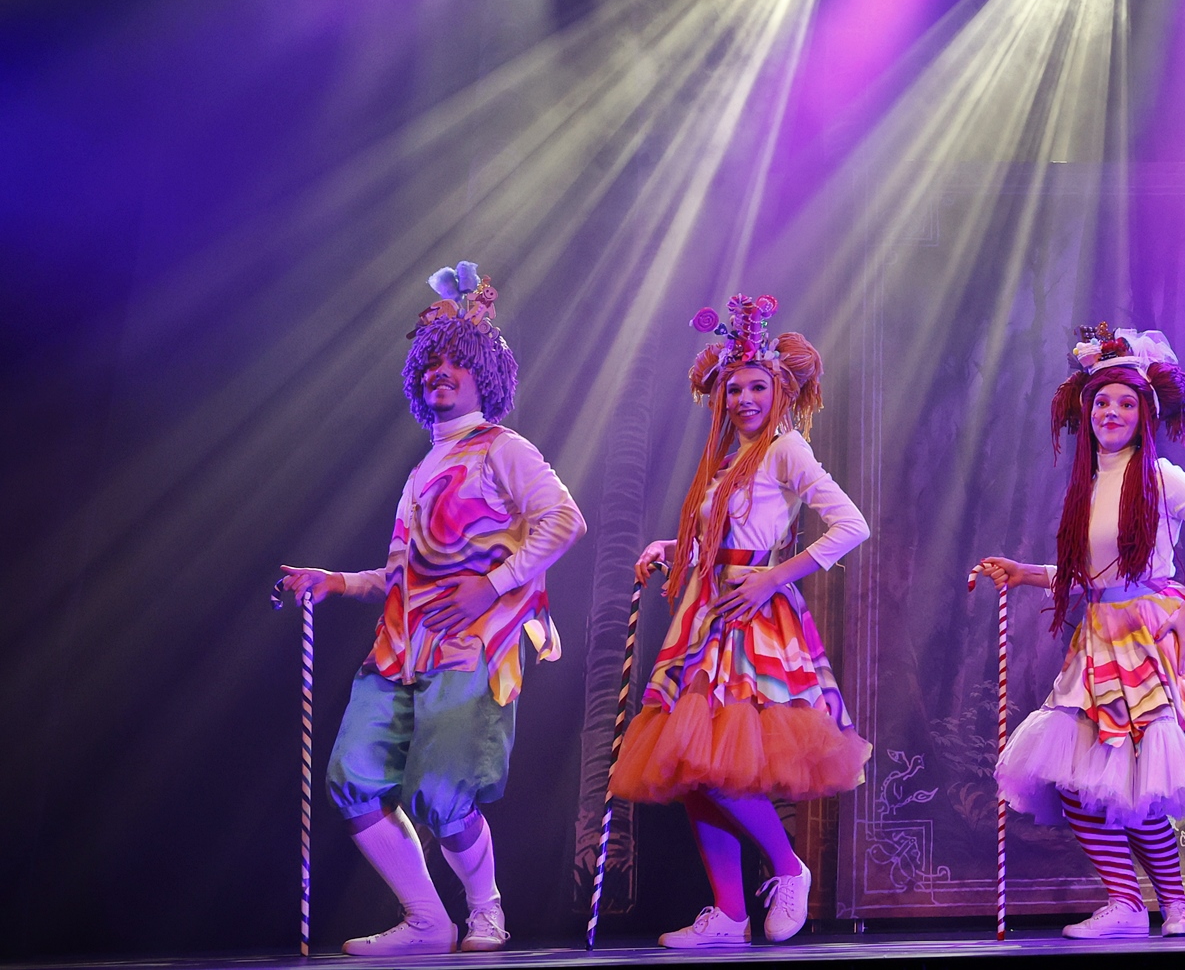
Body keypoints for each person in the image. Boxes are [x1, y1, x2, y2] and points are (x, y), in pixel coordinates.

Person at [279, 263, 584, 955]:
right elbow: (400, 576)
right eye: (430, 363)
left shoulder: (503, 448)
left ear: (484, 374)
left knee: (443, 793)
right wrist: (336, 581)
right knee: (353, 779)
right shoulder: (422, 471)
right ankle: (426, 919)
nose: (439, 372)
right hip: (400, 648)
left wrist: (493, 584)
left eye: (455, 361)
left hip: (472, 646)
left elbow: (565, 520)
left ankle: (486, 911)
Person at [975, 325, 1185, 942]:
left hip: (1148, 638)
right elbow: (1095, 576)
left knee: (1138, 781)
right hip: (1099, 638)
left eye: (1126, 403)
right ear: (1086, 411)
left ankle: (1175, 907)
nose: (1112, 413)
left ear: (1144, 413)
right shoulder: (1088, 484)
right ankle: (1126, 902)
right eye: (1102, 402)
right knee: (1083, 783)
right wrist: (1028, 573)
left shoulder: (1161, 477)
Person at [609, 294, 873, 948]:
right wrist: (673, 548)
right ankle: (729, 913)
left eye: (757, 386)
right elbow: (722, 534)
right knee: (694, 770)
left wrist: (774, 577)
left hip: (751, 617)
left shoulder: (786, 449)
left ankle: (788, 867)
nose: (745, 398)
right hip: (706, 615)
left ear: (780, 391)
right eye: (734, 388)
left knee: (718, 765)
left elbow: (851, 524)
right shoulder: (727, 460)